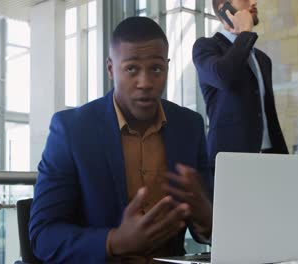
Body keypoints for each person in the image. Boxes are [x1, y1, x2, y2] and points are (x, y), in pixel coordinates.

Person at [29, 16, 212, 263]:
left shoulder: (189, 126)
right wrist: (115, 241)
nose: (145, 83)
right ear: (111, 69)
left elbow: (206, 231)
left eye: (156, 69)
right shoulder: (72, 130)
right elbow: (43, 236)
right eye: (131, 69)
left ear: (167, 67)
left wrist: (208, 218)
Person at [192, 0, 288, 170]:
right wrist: (244, 33)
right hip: (231, 162)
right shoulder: (205, 47)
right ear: (224, 9)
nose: (253, 2)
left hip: (270, 160)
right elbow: (223, 77)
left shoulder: (263, 59)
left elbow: (268, 115)